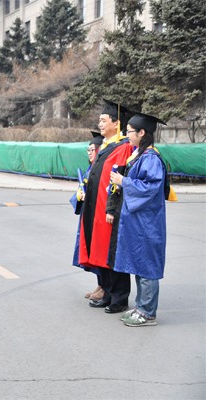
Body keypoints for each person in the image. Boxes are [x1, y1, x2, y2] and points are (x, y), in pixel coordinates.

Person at [111, 112, 172, 327]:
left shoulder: (151, 158)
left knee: (147, 266)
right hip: (138, 221)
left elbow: (151, 187)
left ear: (142, 132)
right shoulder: (140, 155)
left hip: (147, 223)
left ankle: (147, 312)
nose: (126, 135)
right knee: (139, 263)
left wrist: (124, 181)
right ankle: (140, 307)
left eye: (129, 132)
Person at [78, 99, 135, 314]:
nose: (100, 124)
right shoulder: (104, 146)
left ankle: (119, 298)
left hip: (110, 210)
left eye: (104, 120)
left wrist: (112, 208)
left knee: (113, 252)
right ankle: (108, 293)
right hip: (96, 208)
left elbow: (119, 181)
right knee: (102, 252)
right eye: (99, 120)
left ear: (116, 123)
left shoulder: (124, 147)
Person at [71, 131, 104, 302]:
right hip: (88, 213)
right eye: (88, 150)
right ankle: (100, 284)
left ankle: (104, 287)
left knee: (99, 250)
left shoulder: (100, 168)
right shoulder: (91, 168)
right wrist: (79, 195)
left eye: (92, 149)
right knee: (91, 250)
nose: (89, 153)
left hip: (97, 215)